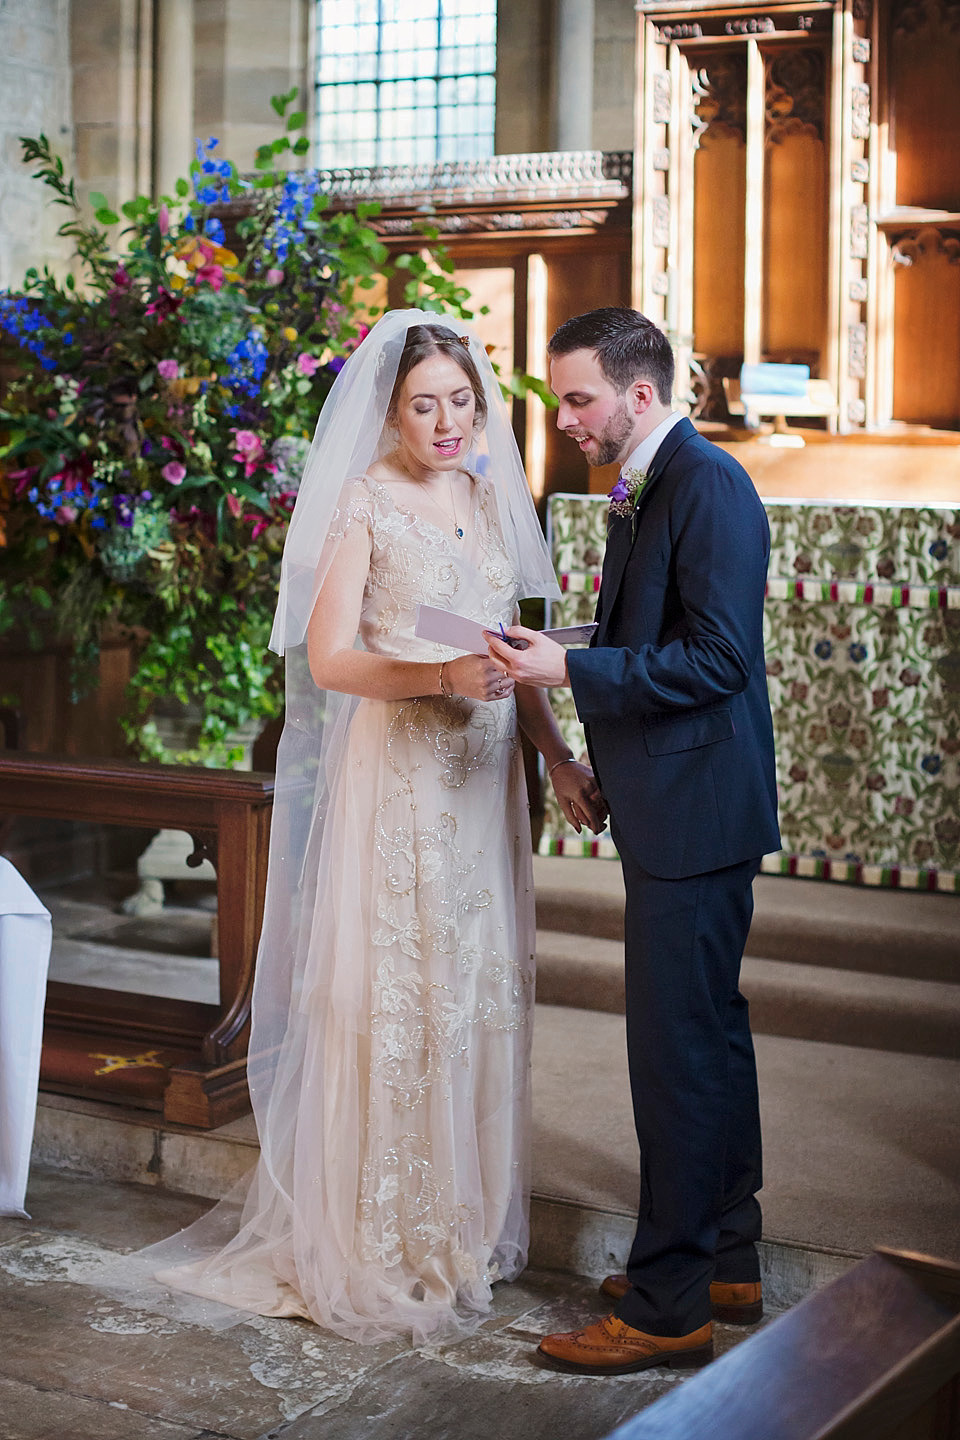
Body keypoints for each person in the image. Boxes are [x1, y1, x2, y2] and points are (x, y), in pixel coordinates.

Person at [136, 309, 605, 1347]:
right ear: (390, 412)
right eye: (425, 404)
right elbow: (330, 659)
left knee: (471, 991)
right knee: (400, 995)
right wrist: (438, 674)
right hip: (398, 777)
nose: (446, 421)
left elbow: (513, 649)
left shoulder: (488, 499)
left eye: (460, 403)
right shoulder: (364, 504)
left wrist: (557, 753)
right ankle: (387, 1237)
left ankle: (460, 1227)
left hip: (483, 781)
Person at [486, 306, 781, 1375]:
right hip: (675, 798)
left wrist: (571, 674)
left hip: (699, 811)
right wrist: (574, 657)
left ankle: (667, 1311)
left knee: (674, 1058)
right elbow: (656, 639)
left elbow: (718, 663)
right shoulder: (648, 483)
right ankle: (727, 1261)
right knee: (708, 1038)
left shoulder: (705, 485)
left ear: (641, 396)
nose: (562, 418)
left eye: (578, 398)